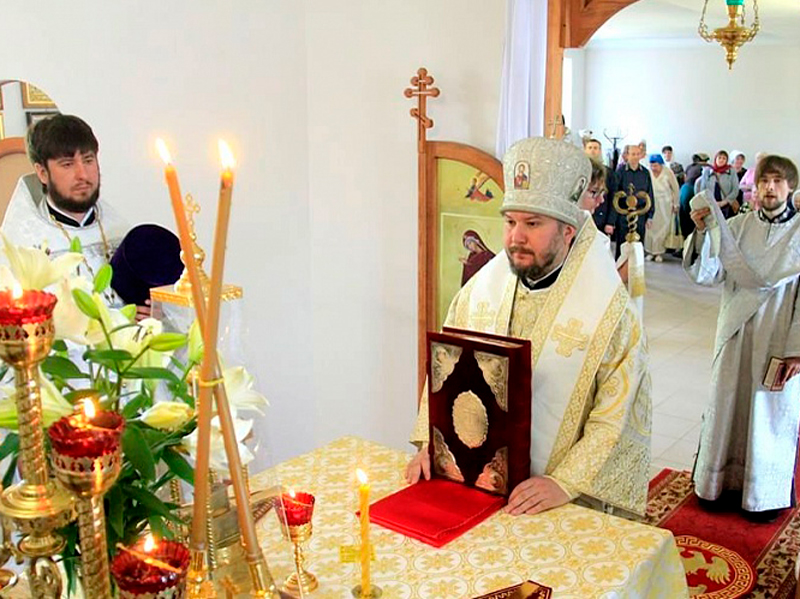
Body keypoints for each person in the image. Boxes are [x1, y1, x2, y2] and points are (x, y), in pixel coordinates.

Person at [406, 137, 652, 519]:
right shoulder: (477, 294)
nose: (515, 237)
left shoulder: (611, 314)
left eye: (533, 224)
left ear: (568, 230)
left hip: (558, 500)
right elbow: (444, 376)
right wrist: (432, 448)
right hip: (475, 482)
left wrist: (564, 483)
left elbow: (614, 418)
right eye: (510, 222)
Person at [684, 155, 800, 522]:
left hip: (778, 335)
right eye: (764, 181)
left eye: (777, 181)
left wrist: (796, 351)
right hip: (734, 332)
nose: (769, 188)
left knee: (768, 412)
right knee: (727, 403)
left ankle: (763, 495)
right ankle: (718, 485)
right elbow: (707, 274)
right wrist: (703, 231)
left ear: (791, 187)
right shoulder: (735, 227)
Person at [2, 114, 129, 306]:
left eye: (88, 160)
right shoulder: (24, 247)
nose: (83, 175)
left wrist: (150, 308)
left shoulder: (119, 230)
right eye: (68, 164)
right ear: (42, 173)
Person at [607, 144, 654, 259]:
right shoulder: (620, 172)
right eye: (633, 154)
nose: (635, 157)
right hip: (623, 214)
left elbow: (650, 194)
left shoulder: (645, 173)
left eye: (638, 154)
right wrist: (612, 220)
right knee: (622, 246)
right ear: (627, 155)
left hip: (640, 214)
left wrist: (650, 215)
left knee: (638, 246)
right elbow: (614, 195)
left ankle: (637, 268)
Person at [645, 154, 680, 262]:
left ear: (661, 164)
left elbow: (675, 189)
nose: (653, 168)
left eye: (655, 165)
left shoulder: (668, 172)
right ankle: (650, 251)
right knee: (650, 227)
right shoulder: (648, 172)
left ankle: (659, 252)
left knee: (663, 228)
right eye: (651, 165)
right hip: (651, 203)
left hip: (665, 204)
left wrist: (676, 204)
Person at [696, 150, 740, 219]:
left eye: (724, 158)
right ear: (715, 159)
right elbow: (703, 189)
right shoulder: (708, 171)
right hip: (710, 205)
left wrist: (724, 202)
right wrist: (710, 202)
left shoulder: (731, 171)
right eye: (719, 158)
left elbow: (735, 190)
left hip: (726, 205)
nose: (721, 160)